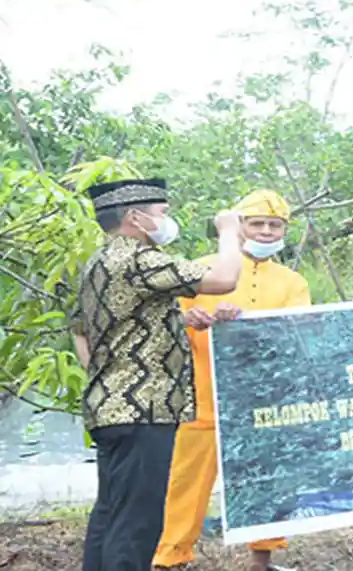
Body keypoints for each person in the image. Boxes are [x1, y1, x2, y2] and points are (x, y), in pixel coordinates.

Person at [71, 178, 244, 571]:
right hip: (144, 410)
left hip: (109, 407)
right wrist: (229, 232)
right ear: (135, 217)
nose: (167, 222)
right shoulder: (140, 259)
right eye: (162, 214)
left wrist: (108, 373)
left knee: (110, 513)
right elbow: (223, 279)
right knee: (138, 522)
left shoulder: (96, 263)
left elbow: (82, 329)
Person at [153, 189, 311, 571]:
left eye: (275, 225)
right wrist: (194, 320)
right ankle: (170, 558)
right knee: (186, 480)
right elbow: (169, 322)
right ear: (238, 226)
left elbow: (298, 333)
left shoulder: (292, 281)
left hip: (262, 398)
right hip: (202, 393)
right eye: (258, 223)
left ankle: (262, 557)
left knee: (265, 477)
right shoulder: (203, 268)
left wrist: (244, 323)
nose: (267, 231)